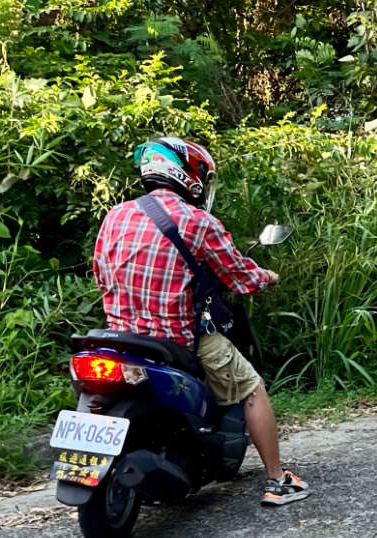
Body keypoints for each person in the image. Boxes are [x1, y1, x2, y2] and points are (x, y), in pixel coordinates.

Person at [90, 136, 309, 507]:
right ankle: (277, 480)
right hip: (174, 341)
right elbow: (240, 277)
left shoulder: (116, 215)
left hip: (119, 337)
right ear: (189, 176)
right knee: (251, 388)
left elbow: (100, 274)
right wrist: (267, 277)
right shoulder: (197, 221)